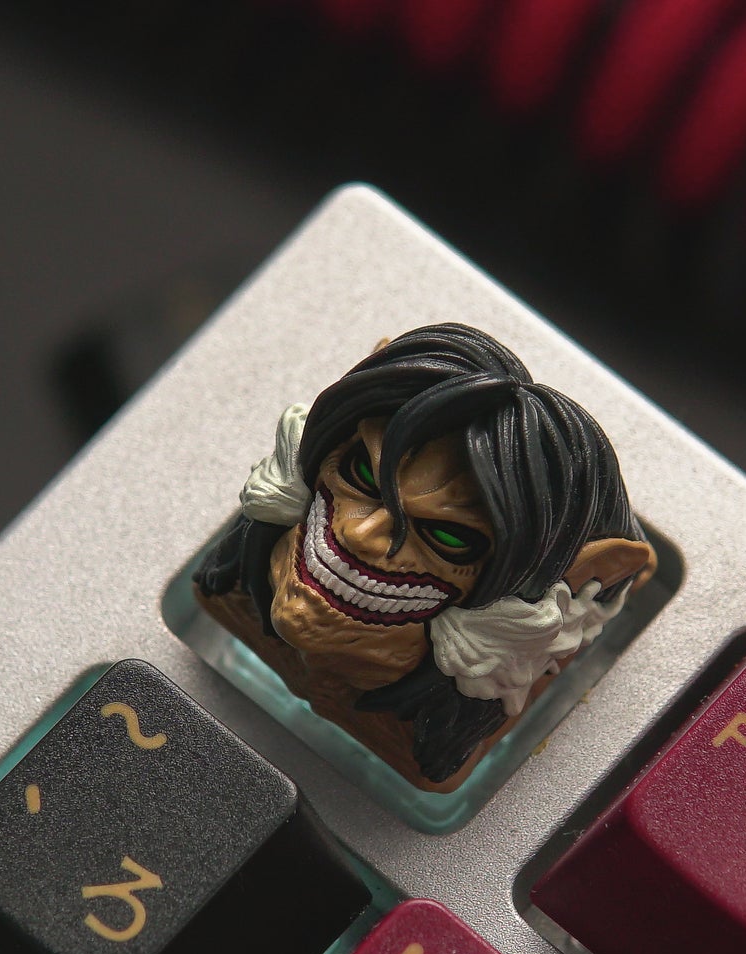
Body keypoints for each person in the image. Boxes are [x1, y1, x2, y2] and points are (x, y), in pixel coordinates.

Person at [196, 323, 656, 789]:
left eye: (448, 535)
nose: (359, 532)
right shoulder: (270, 554)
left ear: (577, 582)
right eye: (362, 473)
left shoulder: (499, 649)